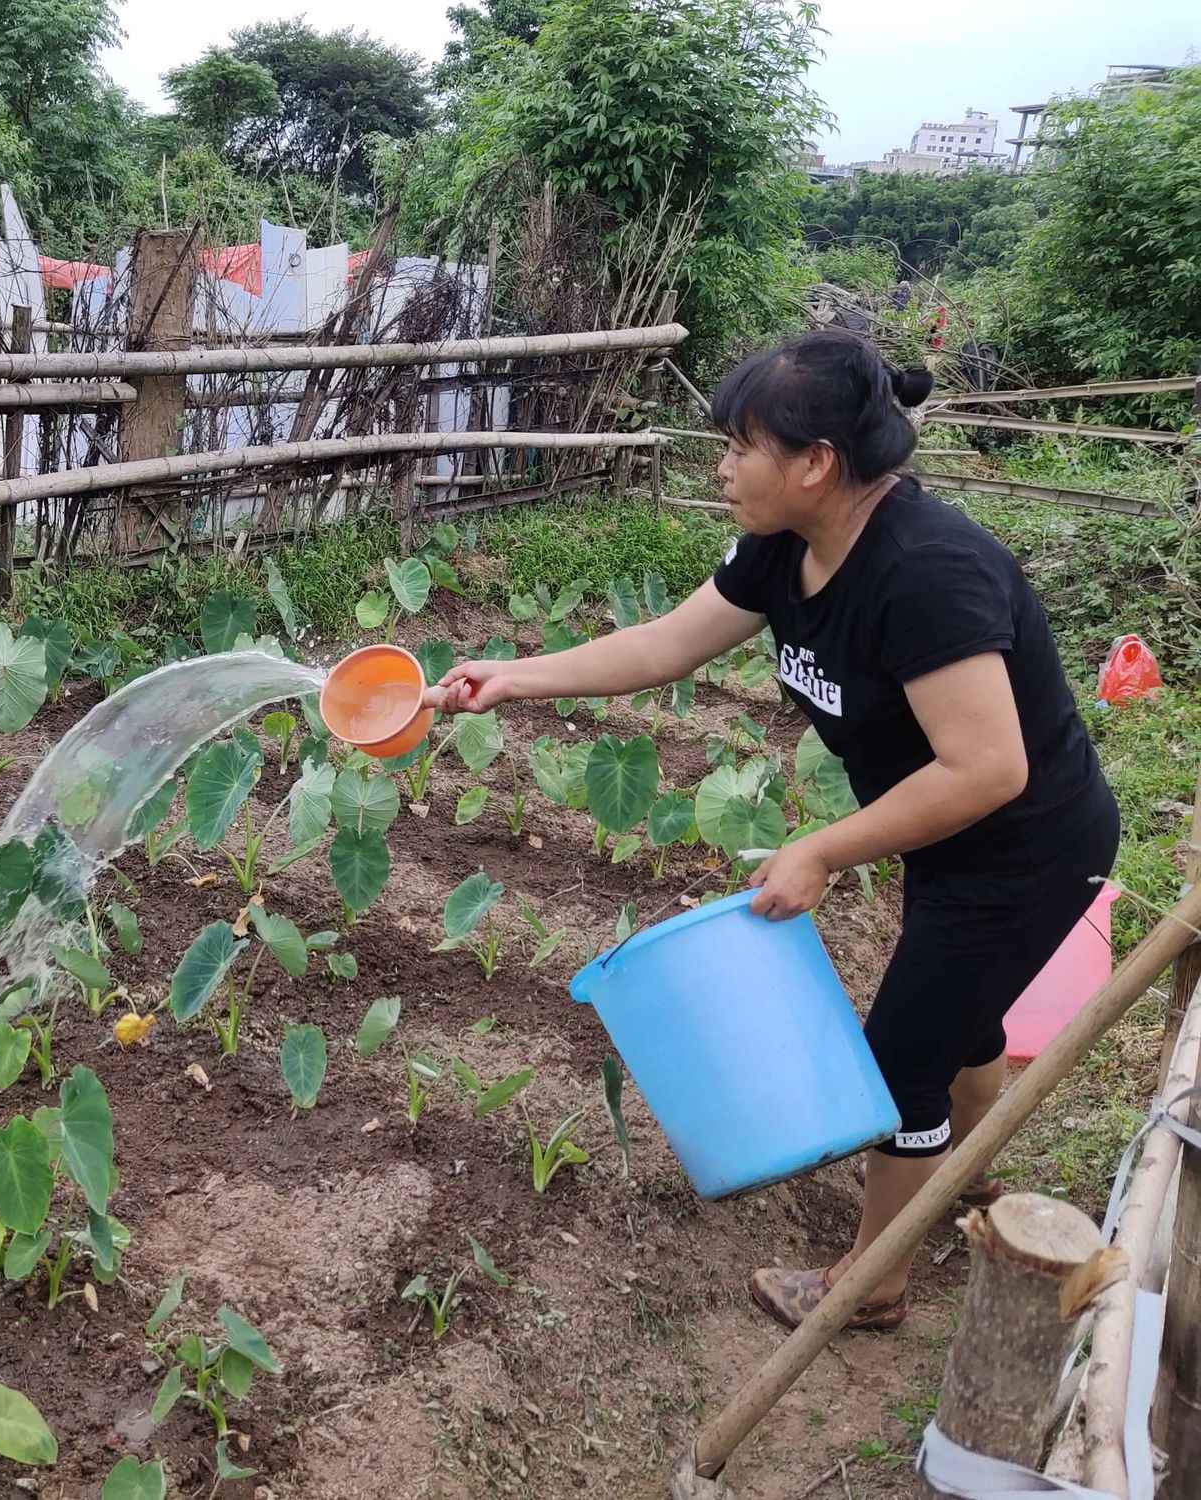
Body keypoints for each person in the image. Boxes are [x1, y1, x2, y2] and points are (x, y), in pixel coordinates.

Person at [425, 330, 1118, 1331]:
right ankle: (963, 1176)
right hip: (946, 836)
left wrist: (822, 848)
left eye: (736, 446)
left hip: (1022, 845)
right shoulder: (783, 548)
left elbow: (987, 767)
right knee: (960, 1023)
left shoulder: (927, 571)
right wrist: (511, 677)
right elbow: (667, 644)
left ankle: (873, 1282)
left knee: (900, 1060)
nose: (719, 467)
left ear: (813, 462)